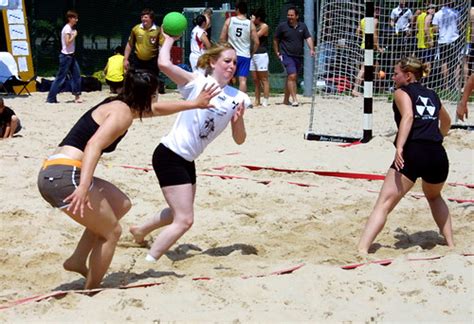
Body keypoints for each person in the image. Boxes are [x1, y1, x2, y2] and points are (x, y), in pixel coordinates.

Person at [37, 70, 219, 289]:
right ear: (146, 96)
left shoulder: (119, 104)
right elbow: (93, 145)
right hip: (65, 176)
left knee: (120, 204)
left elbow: (155, 110)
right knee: (112, 232)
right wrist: (84, 186)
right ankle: (92, 290)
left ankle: (77, 259)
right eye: (155, 94)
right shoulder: (122, 114)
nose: (157, 99)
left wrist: (195, 104)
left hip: (55, 171)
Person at [129, 32, 250, 264]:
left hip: (187, 159)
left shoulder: (239, 97)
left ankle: (140, 230)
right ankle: (149, 262)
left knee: (178, 213)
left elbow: (240, 140)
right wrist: (169, 39)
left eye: (235, 62)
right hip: (169, 154)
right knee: (185, 220)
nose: (232, 66)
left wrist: (239, 121)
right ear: (213, 62)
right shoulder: (199, 82)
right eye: (227, 61)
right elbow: (163, 64)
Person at [358, 56, 453, 254]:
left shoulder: (401, 92)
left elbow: (408, 116)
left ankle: (361, 249)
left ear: (408, 75)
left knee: (383, 204)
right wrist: (438, 138)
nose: (393, 78)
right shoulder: (433, 94)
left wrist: (399, 147)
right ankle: (451, 244)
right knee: (435, 198)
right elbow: (447, 122)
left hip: (414, 151)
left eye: (396, 74)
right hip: (437, 154)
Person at [273, 6, 315, 107]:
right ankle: (295, 99)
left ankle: (286, 100)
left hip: (298, 56)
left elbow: (308, 38)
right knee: (292, 76)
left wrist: (312, 49)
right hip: (286, 54)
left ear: (297, 16)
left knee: (291, 77)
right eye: (288, 15)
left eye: (292, 15)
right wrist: (277, 52)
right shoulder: (282, 26)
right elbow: (275, 39)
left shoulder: (302, 26)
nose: (289, 17)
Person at [219, 1, 259, 93]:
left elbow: (222, 38)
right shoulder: (250, 23)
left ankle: (226, 98)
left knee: (227, 77)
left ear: (237, 10)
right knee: (243, 80)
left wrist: (224, 50)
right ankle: (241, 101)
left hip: (231, 54)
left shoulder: (230, 20)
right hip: (245, 54)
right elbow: (256, 42)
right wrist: (252, 53)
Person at [46, 10, 82, 104]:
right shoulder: (67, 29)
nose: (76, 20)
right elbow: (67, 42)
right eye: (75, 18)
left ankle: (77, 96)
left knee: (77, 75)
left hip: (71, 56)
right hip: (66, 57)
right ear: (70, 18)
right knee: (60, 78)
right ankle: (51, 98)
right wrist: (74, 36)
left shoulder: (70, 28)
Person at [352, 7, 383, 97]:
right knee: (364, 69)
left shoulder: (363, 20)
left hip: (363, 45)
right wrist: (377, 47)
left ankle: (365, 89)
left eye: (379, 10)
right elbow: (374, 34)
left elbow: (357, 32)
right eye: (376, 10)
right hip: (369, 47)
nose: (378, 12)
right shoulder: (375, 20)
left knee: (366, 68)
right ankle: (355, 89)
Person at [432, 1, 461, 90]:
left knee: (444, 62)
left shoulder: (437, 14)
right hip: (454, 39)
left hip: (443, 40)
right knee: (456, 63)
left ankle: (446, 86)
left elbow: (435, 29)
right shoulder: (456, 12)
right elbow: (459, 25)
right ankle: (456, 86)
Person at [123, 9, 160, 77]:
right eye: (142, 17)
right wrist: (125, 59)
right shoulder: (136, 29)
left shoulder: (158, 30)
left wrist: (162, 59)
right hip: (138, 61)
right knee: (137, 82)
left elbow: (162, 46)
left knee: (152, 83)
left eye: (145, 17)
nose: (143, 19)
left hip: (153, 61)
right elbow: (129, 44)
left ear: (151, 18)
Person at [250, 8, 270, 107]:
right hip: (252, 54)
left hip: (261, 54)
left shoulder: (264, 26)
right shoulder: (253, 26)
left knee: (264, 78)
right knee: (255, 79)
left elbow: (255, 37)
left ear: (258, 17)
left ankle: (265, 99)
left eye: (253, 16)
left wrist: (251, 24)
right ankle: (257, 100)